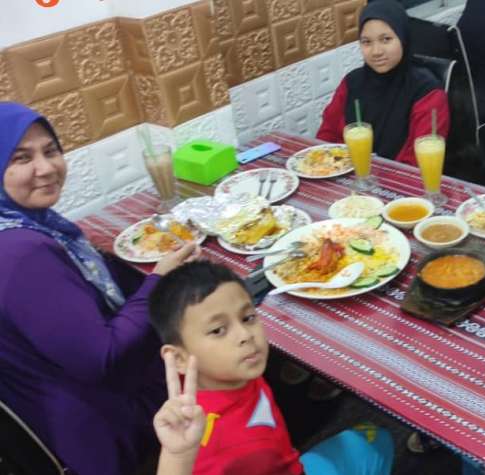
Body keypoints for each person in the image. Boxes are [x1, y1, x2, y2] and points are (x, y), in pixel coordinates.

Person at [0, 102, 199, 475]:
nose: (46, 168)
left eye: (51, 150)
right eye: (21, 158)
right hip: (106, 427)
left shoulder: (30, 225)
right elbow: (103, 358)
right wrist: (159, 279)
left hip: (66, 406)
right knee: (226, 346)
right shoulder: (20, 253)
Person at [149, 261, 394, 475]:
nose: (245, 335)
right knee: (379, 441)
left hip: (286, 460)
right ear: (179, 359)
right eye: (218, 330)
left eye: (247, 318)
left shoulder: (230, 371)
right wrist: (177, 458)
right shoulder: (207, 440)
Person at [317, 0, 450, 166]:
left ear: (403, 39)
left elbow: (417, 164)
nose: (376, 51)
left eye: (386, 39)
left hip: (398, 180)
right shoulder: (352, 83)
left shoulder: (427, 92)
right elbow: (326, 138)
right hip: (345, 175)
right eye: (367, 42)